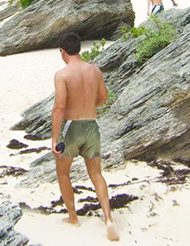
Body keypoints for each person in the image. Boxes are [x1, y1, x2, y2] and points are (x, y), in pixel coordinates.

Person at [51, 32, 119, 241]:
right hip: (92, 125)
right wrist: (89, 107)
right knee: (96, 174)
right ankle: (108, 218)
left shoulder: (62, 75)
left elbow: (59, 108)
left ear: (62, 51)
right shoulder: (95, 70)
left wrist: (55, 138)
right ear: (78, 49)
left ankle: (73, 217)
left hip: (72, 127)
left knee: (63, 173)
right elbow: (104, 97)